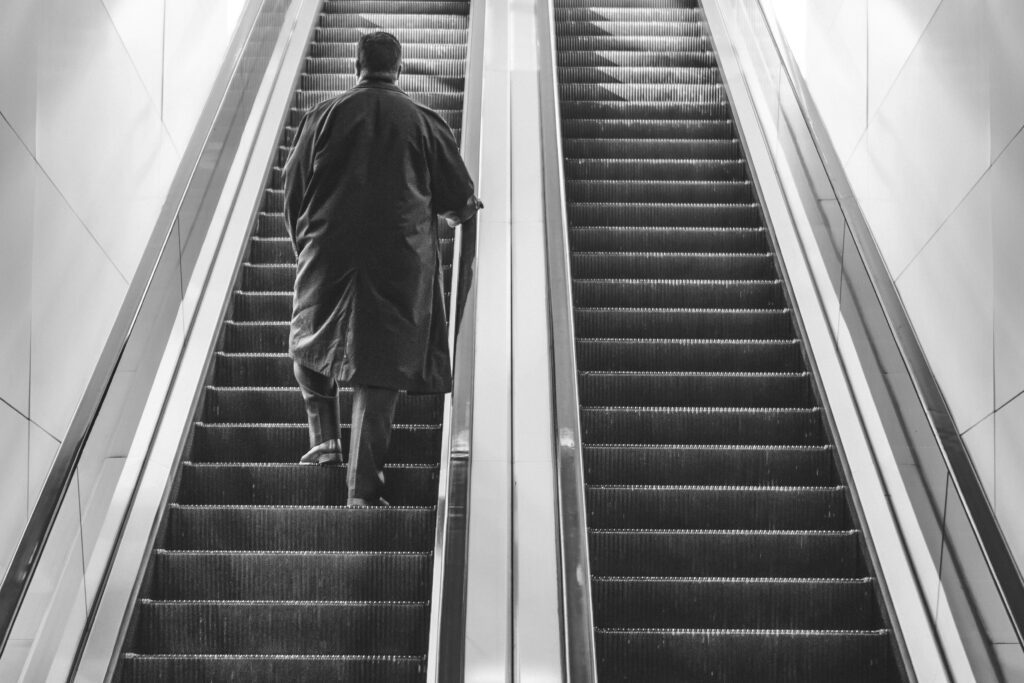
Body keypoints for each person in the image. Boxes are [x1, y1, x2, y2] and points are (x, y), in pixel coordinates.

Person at [282, 31, 482, 507]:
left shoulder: (321, 116)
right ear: (400, 68)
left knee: (307, 336)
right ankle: (363, 491)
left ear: (356, 64)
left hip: (328, 252)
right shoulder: (426, 122)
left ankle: (324, 436)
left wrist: (304, 245)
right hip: (400, 262)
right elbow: (462, 206)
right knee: (382, 369)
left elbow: (292, 191)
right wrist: (461, 265)